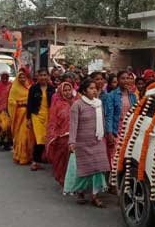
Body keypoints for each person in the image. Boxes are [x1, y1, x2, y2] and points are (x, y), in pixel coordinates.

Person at [64, 78, 110, 207]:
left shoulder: (99, 103)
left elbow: (103, 121)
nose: (94, 90)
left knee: (98, 169)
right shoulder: (77, 105)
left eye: (95, 88)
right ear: (84, 91)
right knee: (84, 169)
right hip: (82, 143)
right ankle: (81, 192)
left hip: (98, 141)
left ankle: (95, 196)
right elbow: (73, 125)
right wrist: (71, 142)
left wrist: (105, 136)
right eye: (91, 88)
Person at [45, 82, 78, 189]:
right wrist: (54, 136)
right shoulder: (57, 104)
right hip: (62, 137)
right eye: (65, 90)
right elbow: (53, 121)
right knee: (62, 160)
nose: (68, 92)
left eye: (69, 90)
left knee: (73, 161)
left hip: (75, 136)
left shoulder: (77, 102)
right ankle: (63, 179)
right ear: (61, 91)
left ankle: (73, 181)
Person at [105, 71, 138, 161]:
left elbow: (136, 113)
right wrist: (110, 133)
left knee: (128, 155)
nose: (126, 80)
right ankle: (115, 175)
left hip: (130, 129)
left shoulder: (133, 96)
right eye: (123, 78)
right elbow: (109, 115)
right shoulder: (111, 96)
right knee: (116, 156)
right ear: (118, 80)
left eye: (127, 78)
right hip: (117, 130)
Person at [26, 69, 53, 171]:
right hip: (36, 116)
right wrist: (28, 119)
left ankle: (41, 159)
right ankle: (35, 161)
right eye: (41, 75)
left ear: (48, 76)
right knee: (39, 138)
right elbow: (29, 104)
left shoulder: (51, 89)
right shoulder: (33, 88)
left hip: (48, 116)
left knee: (45, 138)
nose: (43, 77)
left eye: (45, 75)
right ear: (37, 77)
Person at [8, 67, 35, 165]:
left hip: (29, 114)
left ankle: (29, 156)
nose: (23, 79)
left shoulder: (29, 87)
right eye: (21, 77)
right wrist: (18, 103)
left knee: (29, 136)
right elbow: (11, 101)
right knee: (22, 136)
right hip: (19, 114)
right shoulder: (14, 88)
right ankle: (20, 156)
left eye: (24, 77)